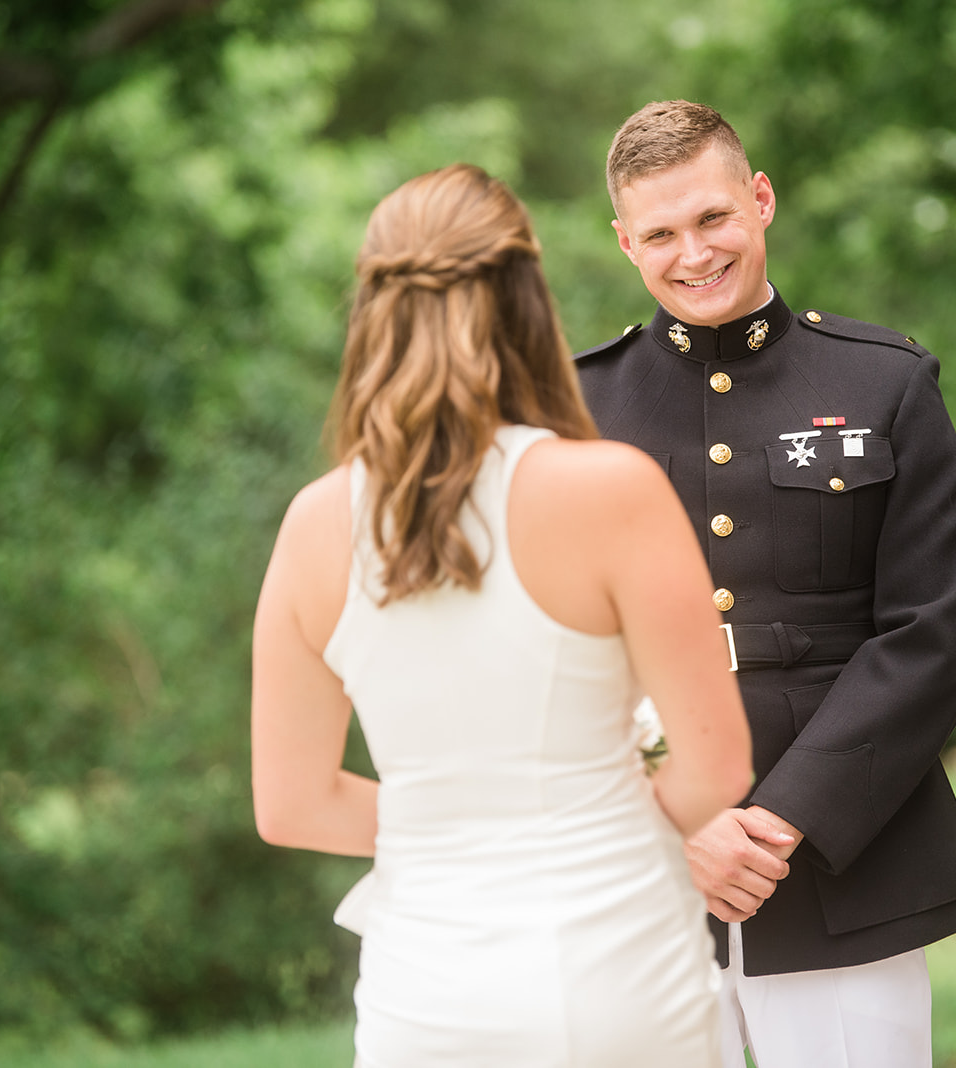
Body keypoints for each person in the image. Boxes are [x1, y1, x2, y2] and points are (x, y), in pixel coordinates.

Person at [250, 162, 752, 1068]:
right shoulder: (611, 491)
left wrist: (453, 822)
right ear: (527, 300)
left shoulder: (313, 524)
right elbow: (716, 770)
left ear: (371, 311)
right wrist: (587, 819)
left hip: (424, 995)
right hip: (620, 970)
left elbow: (291, 804)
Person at [575, 101, 956, 1068]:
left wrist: (782, 819)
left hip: (846, 857)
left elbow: (930, 632)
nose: (693, 253)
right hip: (646, 873)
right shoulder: (577, 408)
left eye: (713, 218)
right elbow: (556, 653)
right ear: (624, 242)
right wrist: (682, 819)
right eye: (661, 233)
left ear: (760, 200)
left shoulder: (886, 381)